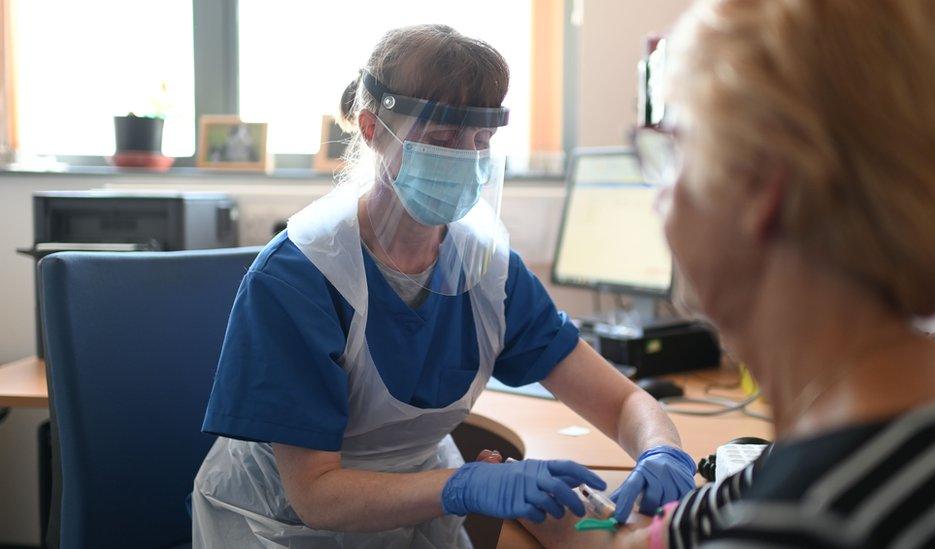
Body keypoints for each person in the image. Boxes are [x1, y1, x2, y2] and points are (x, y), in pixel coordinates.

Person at [190, 25, 696, 547]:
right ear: (372, 129)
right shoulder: (300, 276)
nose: (465, 157)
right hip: (279, 527)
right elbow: (315, 494)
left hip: (411, 512)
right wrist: (463, 484)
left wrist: (660, 449)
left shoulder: (488, 271)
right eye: (441, 139)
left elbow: (621, 402)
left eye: (480, 140)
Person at [518, 0, 935, 547]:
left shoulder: (805, 518)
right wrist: (582, 530)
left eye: (677, 148)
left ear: (761, 186)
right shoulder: (911, 405)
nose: (658, 192)